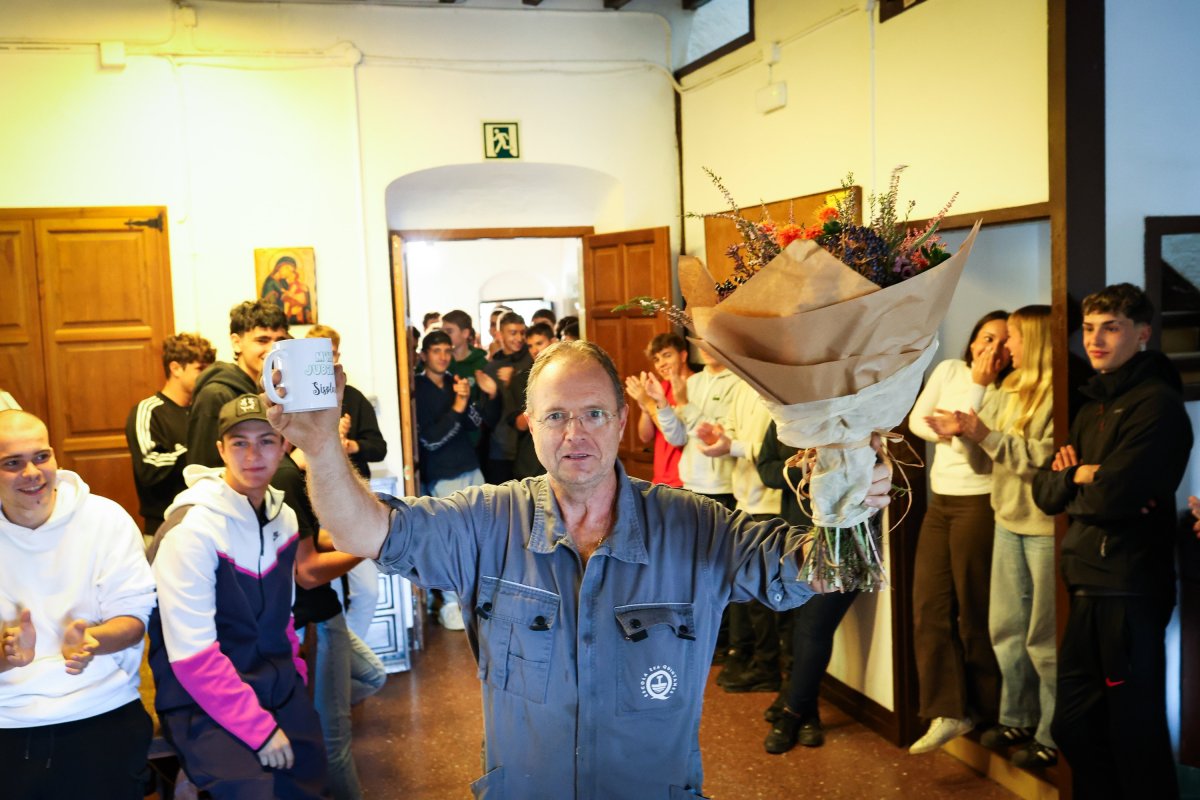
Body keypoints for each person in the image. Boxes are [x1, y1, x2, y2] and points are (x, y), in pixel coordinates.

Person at [263, 340, 894, 798]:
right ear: (530, 425)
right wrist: (320, 446)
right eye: (556, 416)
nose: (575, 434)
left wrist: (850, 502)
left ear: (620, 422)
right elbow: (365, 531)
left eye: (593, 413)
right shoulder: (488, 521)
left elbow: (818, 571)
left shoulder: (694, 526)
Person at [1034, 284, 1191, 798]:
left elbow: (1115, 498)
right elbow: (1045, 491)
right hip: (1086, 582)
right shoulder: (1093, 403)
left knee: (1133, 730)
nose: (1095, 340)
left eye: (1111, 328)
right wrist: (1079, 475)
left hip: (1129, 587)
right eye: (1088, 328)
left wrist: (1080, 484)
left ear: (1142, 334)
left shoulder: (1157, 405)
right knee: (1074, 727)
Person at [148, 394, 329, 798]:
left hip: (277, 686)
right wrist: (259, 730)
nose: (253, 455)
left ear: (284, 446)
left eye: (265, 441)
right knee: (254, 792)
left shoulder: (284, 517)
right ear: (221, 450)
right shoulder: (190, 532)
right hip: (201, 701)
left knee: (311, 782)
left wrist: (295, 682)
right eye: (239, 443)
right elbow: (193, 658)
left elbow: (283, 619)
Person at [0, 410, 157, 799]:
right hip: (9, 718)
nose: (32, 473)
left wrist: (93, 641)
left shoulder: (105, 519)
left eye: (41, 456)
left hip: (103, 705)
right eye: (12, 463)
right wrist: (7, 655)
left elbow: (134, 620)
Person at [928, 305, 1057, 768]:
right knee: (1005, 629)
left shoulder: (1056, 394)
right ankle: (1017, 717)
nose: (1007, 347)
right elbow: (986, 459)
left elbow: (1043, 459)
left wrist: (983, 435)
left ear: (1033, 342)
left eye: (1013, 338)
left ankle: (1050, 733)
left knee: (1043, 639)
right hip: (1006, 519)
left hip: (1042, 527)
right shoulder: (1008, 388)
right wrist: (966, 435)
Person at [905, 311, 1009, 755]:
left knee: (975, 609)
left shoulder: (1004, 391)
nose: (991, 349)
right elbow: (916, 420)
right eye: (986, 337)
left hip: (979, 503)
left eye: (1003, 343)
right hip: (940, 501)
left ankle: (988, 711)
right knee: (929, 605)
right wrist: (950, 435)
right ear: (972, 340)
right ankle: (947, 710)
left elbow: (977, 451)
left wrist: (977, 394)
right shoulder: (949, 370)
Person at [277, 442, 385, 800]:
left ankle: (312, 720)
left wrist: (361, 536)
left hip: (320, 616)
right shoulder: (286, 477)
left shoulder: (290, 473)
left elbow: (310, 537)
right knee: (335, 743)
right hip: (315, 620)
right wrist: (369, 546)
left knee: (372, 675)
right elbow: (308, 573)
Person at [756, 419, 857, 753]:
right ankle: (806, 711)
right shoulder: (784, 418)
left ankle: (791, 713)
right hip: (794, 536)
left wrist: (829, 472)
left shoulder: (849, 416)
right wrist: (803, 472)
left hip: (843, 537)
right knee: (793, 627)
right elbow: (767, 470)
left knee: (813, 628)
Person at [695, 377, 785, 695]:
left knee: (763, 595)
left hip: (770, 502)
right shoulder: (744, 385)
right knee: (741, 589)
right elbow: (733, 434)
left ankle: (767, 666)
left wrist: (733, 446)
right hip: (744, 497)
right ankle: (747, 657)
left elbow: (782, 451)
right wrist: (722, 438)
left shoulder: (777, 386)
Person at [415, 330, 500, 630]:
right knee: (449, 539)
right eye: (436, 350)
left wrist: (482, 396)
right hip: (441, 474)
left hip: (469, 466)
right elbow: (430, 440)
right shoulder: (417, 388)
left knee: (482, 534)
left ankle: (479, 598)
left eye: (447, 350)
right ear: (423, 355)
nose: (443, 356)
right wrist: (458, 406)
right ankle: (452, 602)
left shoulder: (456, 382)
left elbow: (475, 423)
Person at [126, 332, 216, 539]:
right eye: (200, 369)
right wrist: (197, 448)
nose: (207, 377)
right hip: (163, 528)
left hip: (206, 526)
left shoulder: (204, 411)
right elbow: (149, 468)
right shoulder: (149, 410)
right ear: (175, 368)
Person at [187, 300, 289, 467]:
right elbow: (204, 468)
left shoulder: (277, 390)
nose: (273, 350)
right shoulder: (215, 395)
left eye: (279, 341)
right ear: (236, 343)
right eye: (262, 340)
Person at [654, 346, 738, 507]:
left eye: (710, 341)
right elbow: (677, 438)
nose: (705, 348)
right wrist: (662, 404)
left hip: (722, 487)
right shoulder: (692, 382)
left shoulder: (738, 383)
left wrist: (684, 403)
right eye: (700, 342)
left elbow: (720, 436)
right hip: (689, 483)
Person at [624, 332, 693, 488]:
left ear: (683, 356)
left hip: (684, 480)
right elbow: (645, 436)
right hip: (660, 479)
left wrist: (648, 403)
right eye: (656, 359)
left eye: (667, 355)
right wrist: (644, 407)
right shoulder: (661, 388)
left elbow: (677, 438)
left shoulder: (695, 385)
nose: (661, 364)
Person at [482, 311, 530, 484]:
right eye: (513, 333)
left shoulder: (531, 361)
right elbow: (488, 417)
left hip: (528, 447)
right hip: (501, 449)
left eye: (522, 333)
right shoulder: (491, 368)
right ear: (499, 335)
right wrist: (492, 394)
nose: (519, 338)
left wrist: (516, 376)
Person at [506, 322, 554, 480]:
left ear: (553, 342)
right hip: (530, 464)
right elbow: (519, 425)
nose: (535, 350)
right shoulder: (521, 380)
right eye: (530, 346)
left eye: (539, 343)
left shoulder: (571, 375)